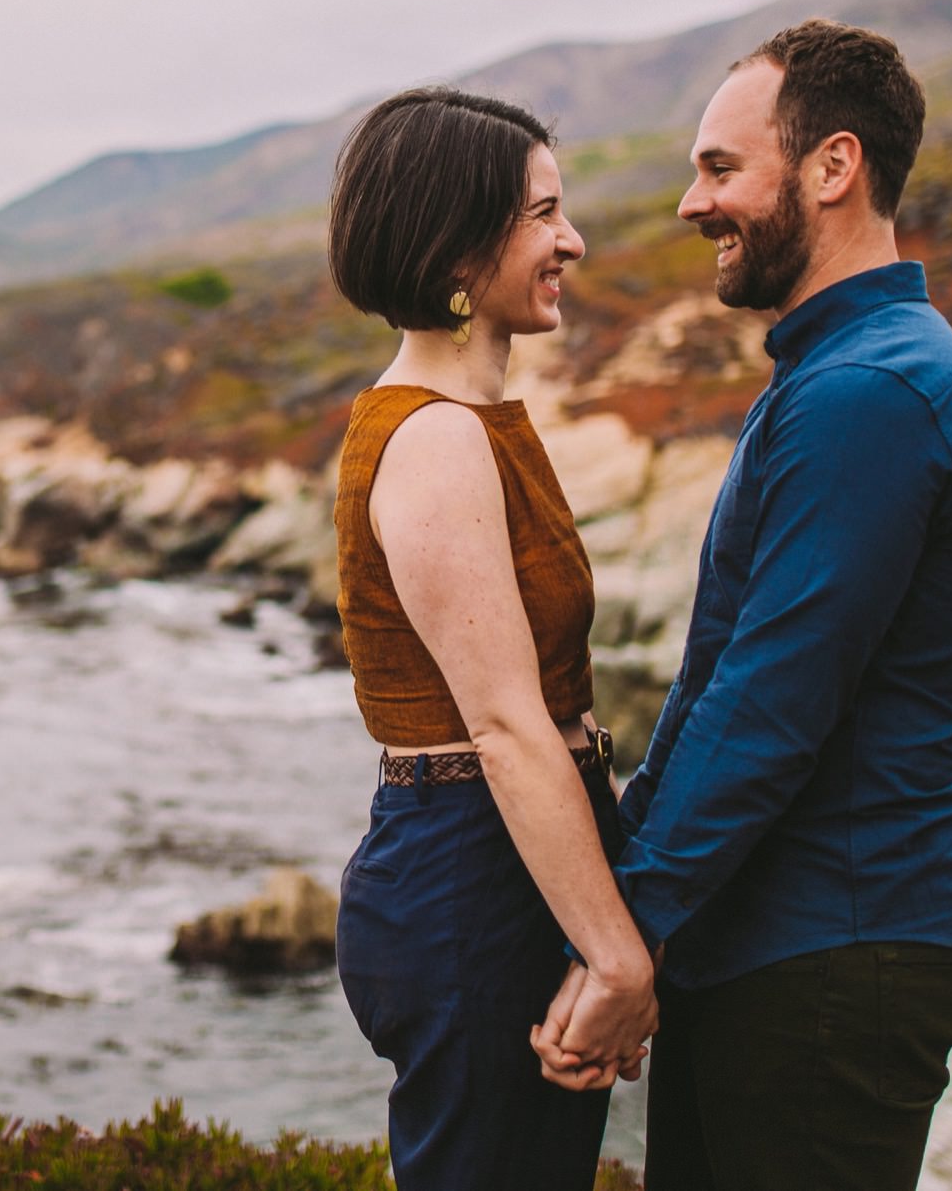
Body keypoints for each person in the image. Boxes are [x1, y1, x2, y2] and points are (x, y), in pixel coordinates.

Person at [534, 19, 952, 1188]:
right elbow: (724, 681)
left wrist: (626, 938)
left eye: (718, 167)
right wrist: (626, 904)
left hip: (837, 939)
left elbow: (771, 699)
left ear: (831, 167)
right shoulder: (847, 369)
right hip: (792, 932)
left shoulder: (868, 390)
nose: (687, 203)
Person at [326, 87, 655, 1189]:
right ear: (456, 244)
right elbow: (511, 727)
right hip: (470, 885)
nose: (571, 239)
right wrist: (616, 955)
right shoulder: (431, 440)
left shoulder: (469, 423)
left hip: (497, 875)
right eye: (540, 214)